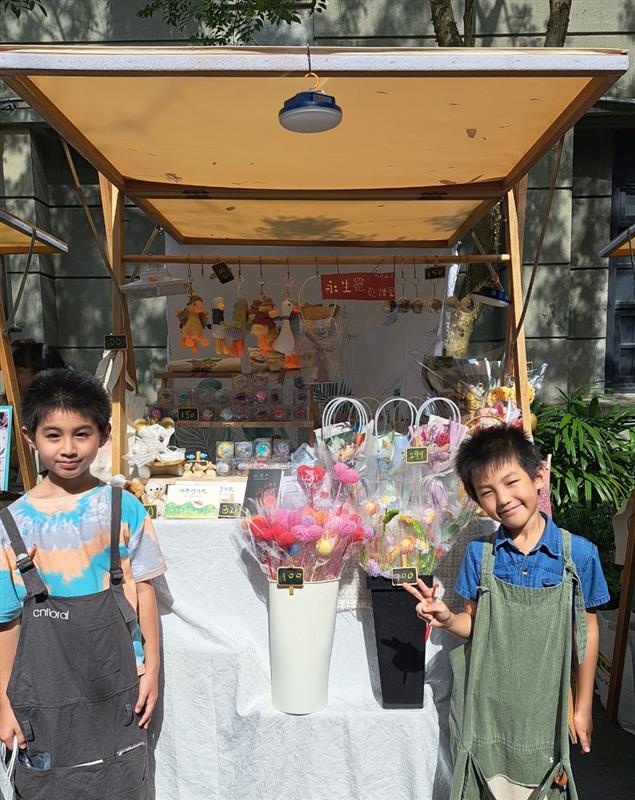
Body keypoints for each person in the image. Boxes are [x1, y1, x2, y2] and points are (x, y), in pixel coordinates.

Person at [404, 425, 609, 800]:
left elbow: (586, 631)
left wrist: (582, 707)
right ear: (477, 502)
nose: (503, 499)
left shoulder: (578, 554)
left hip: (547, 711)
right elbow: (474, 624)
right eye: (487, 492)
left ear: (539, 476)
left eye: (512, 482)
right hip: (488, 711)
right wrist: (446, 618)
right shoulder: (479, 554)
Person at [0, 367, 166, 800]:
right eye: (53, 435)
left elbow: (144, 590)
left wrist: (152, 668)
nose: (69, 449)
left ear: (104, 435)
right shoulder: (11, 524)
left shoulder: (123, 507)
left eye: (82, 434)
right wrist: (3, 703)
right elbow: (6, 622)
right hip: (42, 695)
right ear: (29, 436)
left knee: (123, 782)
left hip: (120, 684)